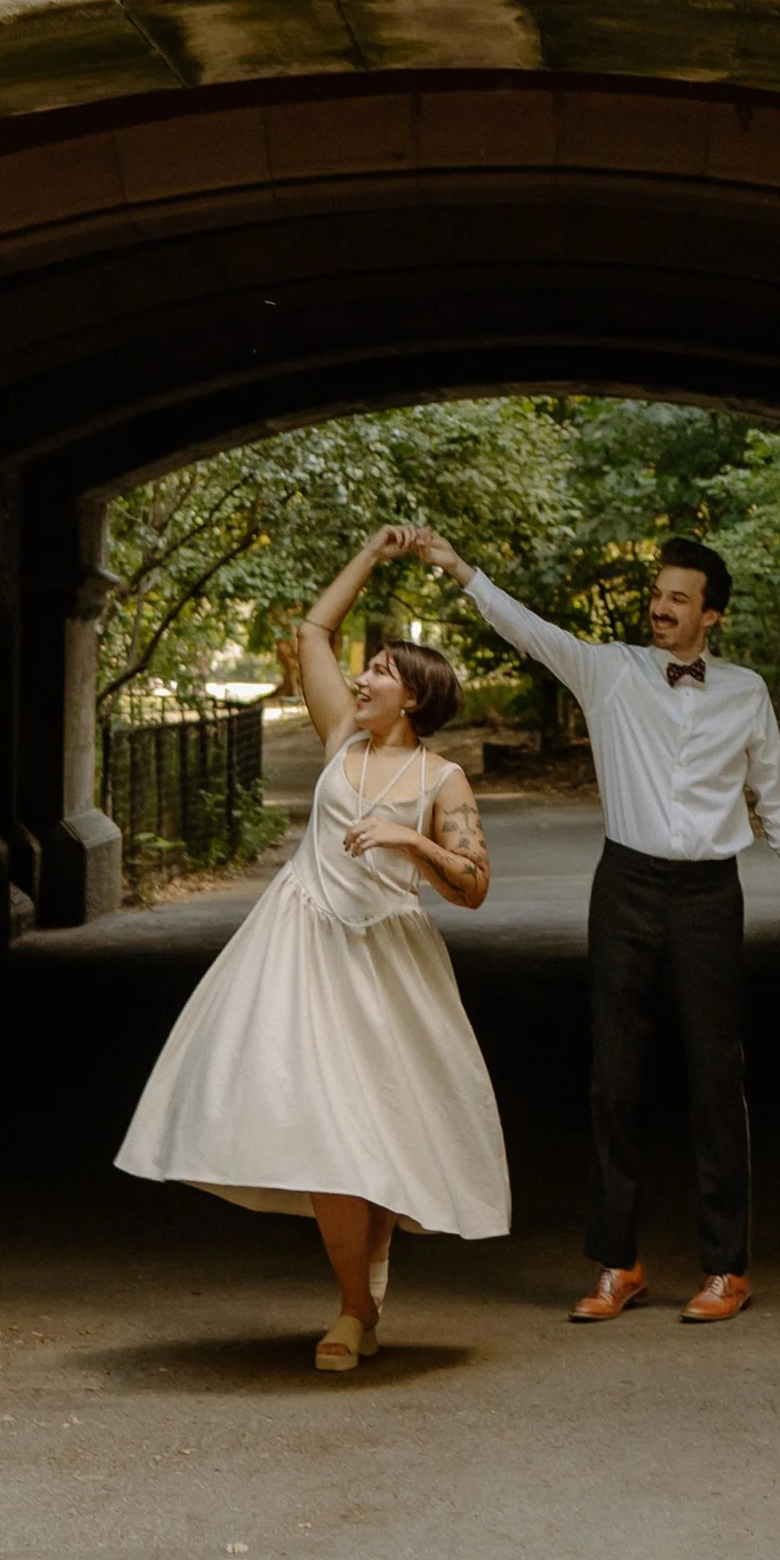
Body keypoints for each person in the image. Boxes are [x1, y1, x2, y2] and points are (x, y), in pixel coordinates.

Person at [414, 525, 780, 1324]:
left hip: (711, 894)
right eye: (657, 595)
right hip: (628, 887)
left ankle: (726, 1269)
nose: (660, 609)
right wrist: (460, 569)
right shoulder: (610, 670)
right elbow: (530, 630)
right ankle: (618, 1263)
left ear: (712, 615)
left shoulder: (746, 692)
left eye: (679, 599)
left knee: (716, 1077)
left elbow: (774, 801)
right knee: (615, 1076)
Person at [115, 526, 509, 1374]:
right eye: (364, 671)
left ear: (412, 700)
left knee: (377, 1133)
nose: (360, 679)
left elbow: (474, 885)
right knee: (326, 1131)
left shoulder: (443, 782)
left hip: (390, 969)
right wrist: (367, 552)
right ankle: (354, 1309)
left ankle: (366, 1282)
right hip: (301, 950)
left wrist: (414, 845)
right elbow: (312, 634)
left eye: (381, 675)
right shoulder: (340, 739)